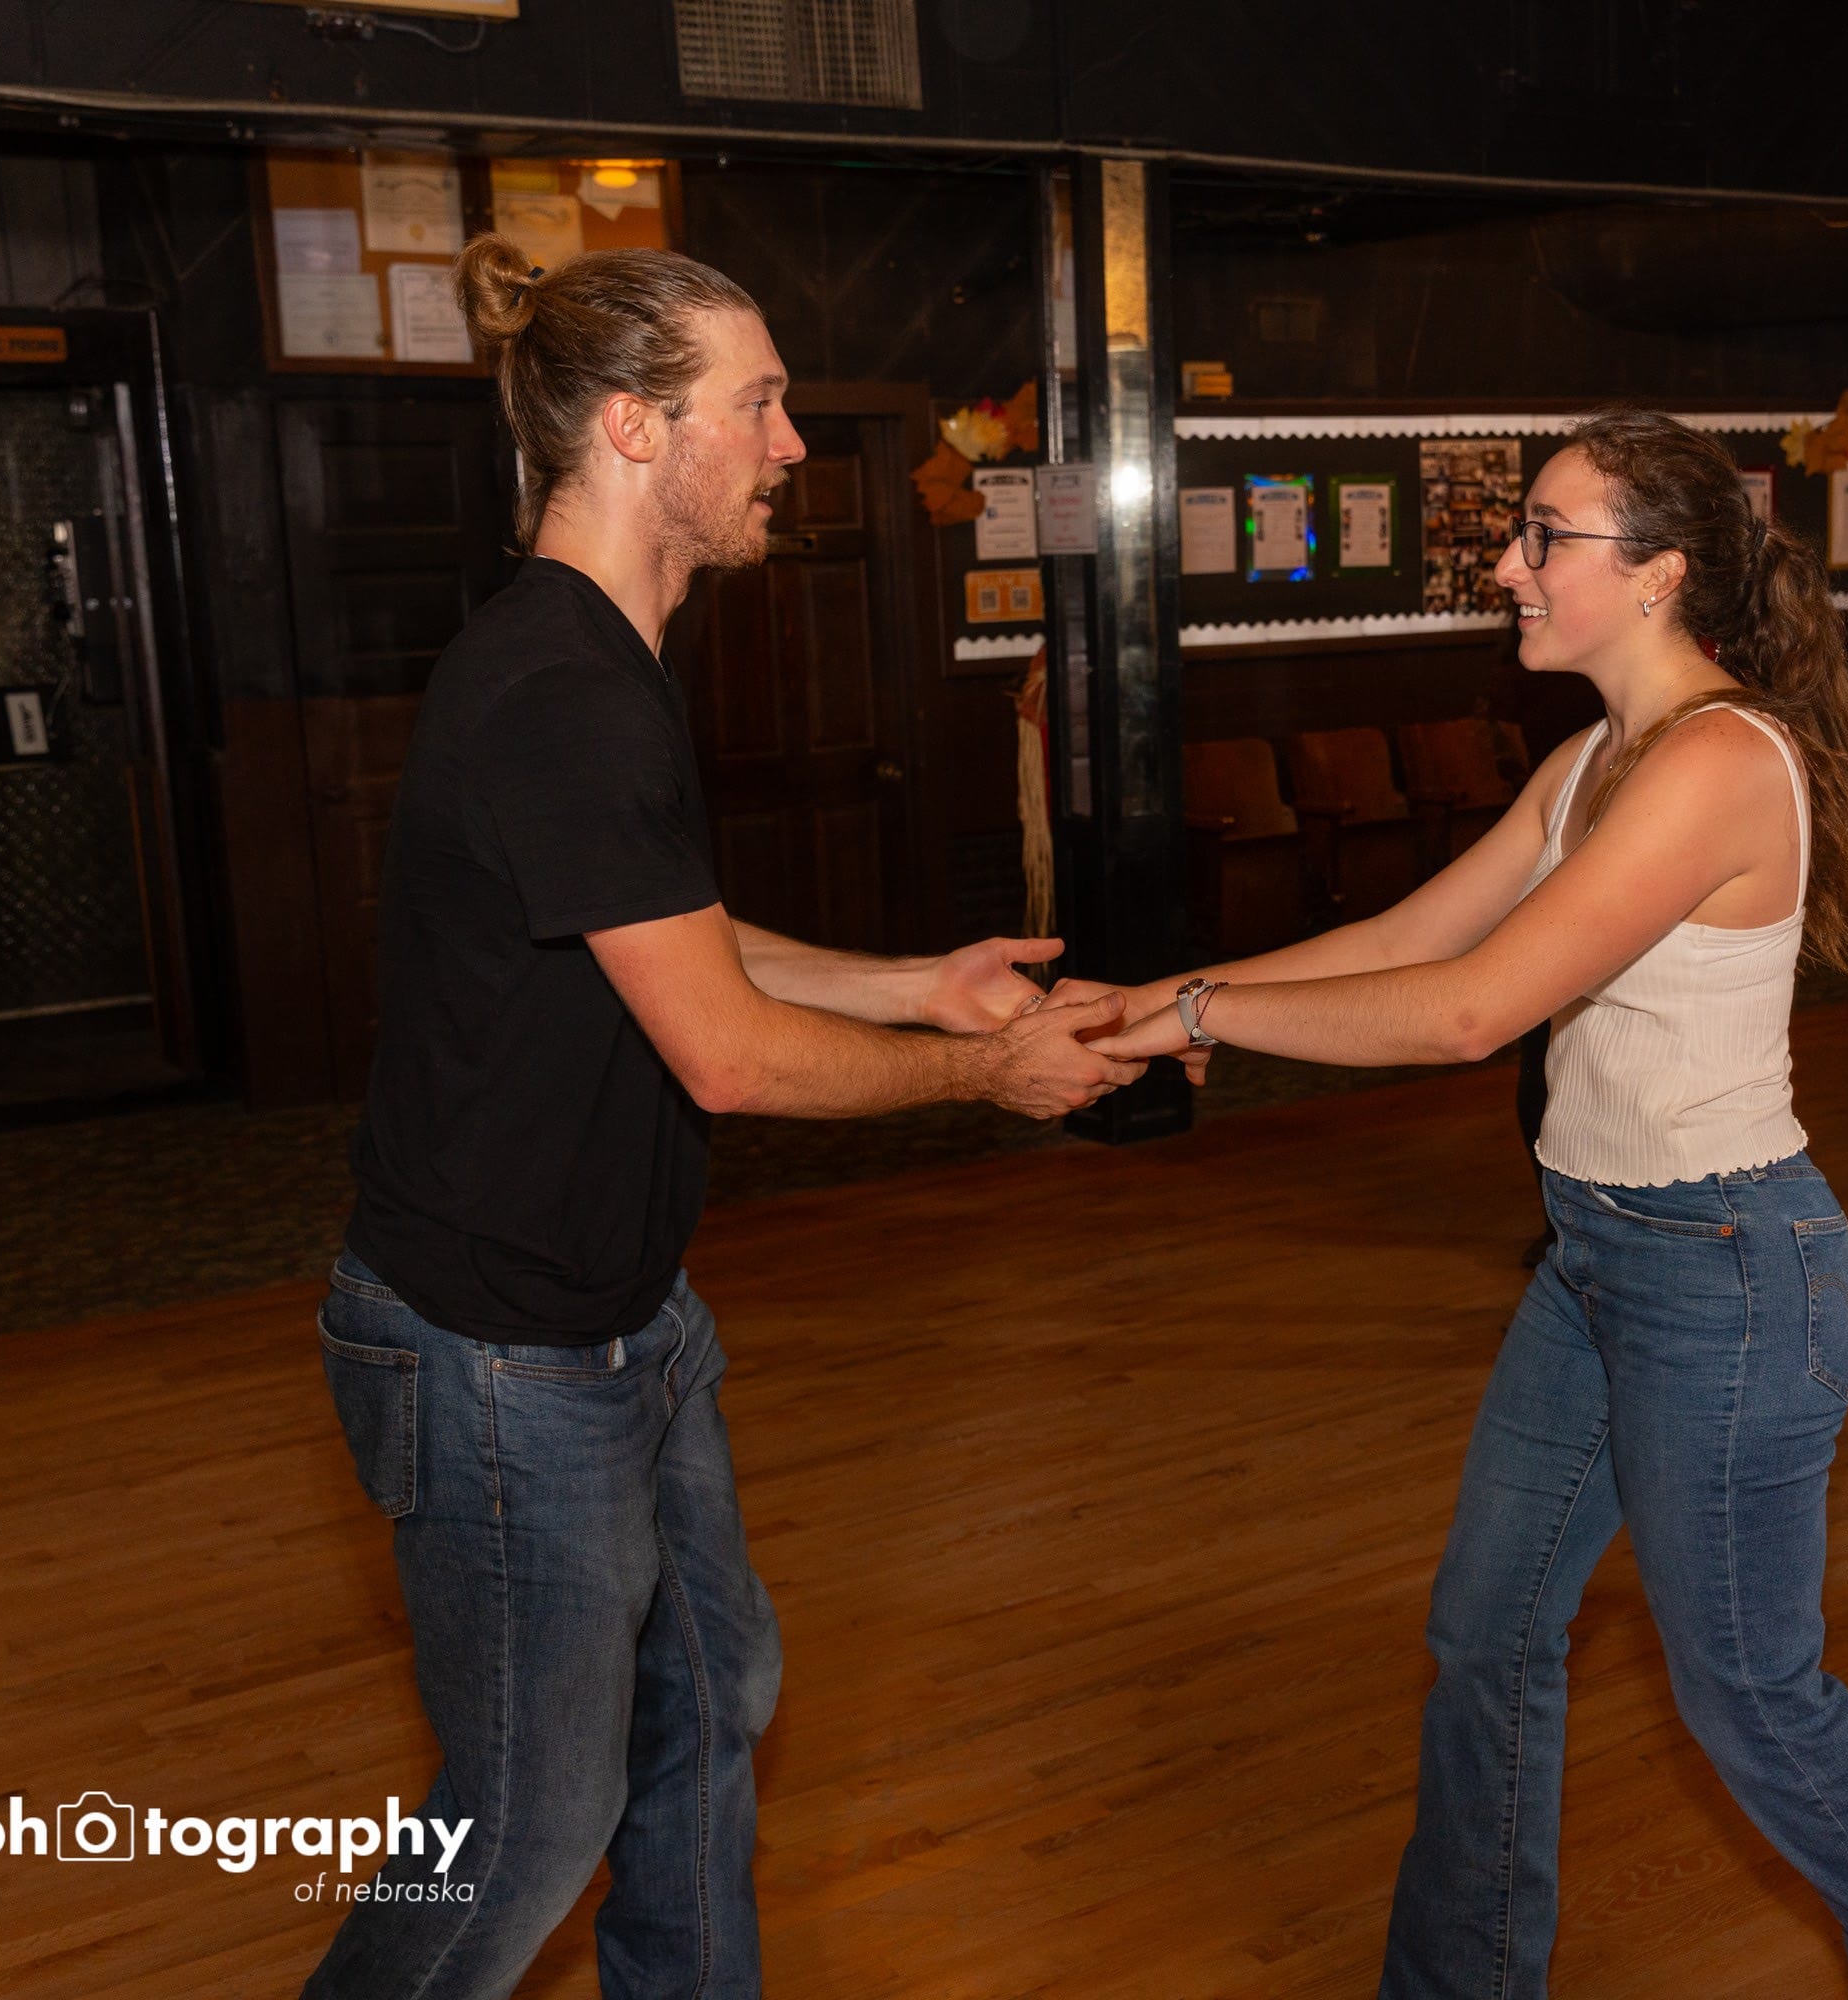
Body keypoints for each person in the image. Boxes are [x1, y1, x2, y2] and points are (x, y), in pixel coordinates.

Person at [1074, 412, 1848, 1999]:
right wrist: (1160, 1000)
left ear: (1658, 574)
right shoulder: (1596, 758)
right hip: (1600, 1260)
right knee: (1488, 1631)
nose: (1509, 568)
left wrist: (1195, 1021)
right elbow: (1409, 937)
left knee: (1755, 1698)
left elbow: (1470, 1011)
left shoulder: (1722, 762)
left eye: (1544, 537)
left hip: (1727, 1272)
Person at [303, 235, 1144, 2000]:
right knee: (533, 1818)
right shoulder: (559, 691)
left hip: (627, 1319)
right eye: (755, 406)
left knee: (715, 1694)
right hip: (500, 1349)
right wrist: (990, 1074)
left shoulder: (599, 663)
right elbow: (728, 1056)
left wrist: (920, 987)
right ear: (633, 427)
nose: (788, 444)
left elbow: (668, 938)